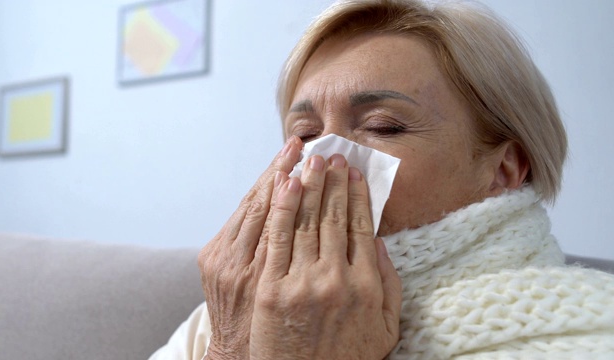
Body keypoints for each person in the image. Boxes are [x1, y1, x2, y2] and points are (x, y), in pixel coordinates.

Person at [151, 0, 614, 358]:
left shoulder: (589, 333)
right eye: (304, 134)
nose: (323, 161)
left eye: (381, 126)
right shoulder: (227, 317)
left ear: (504, 169)